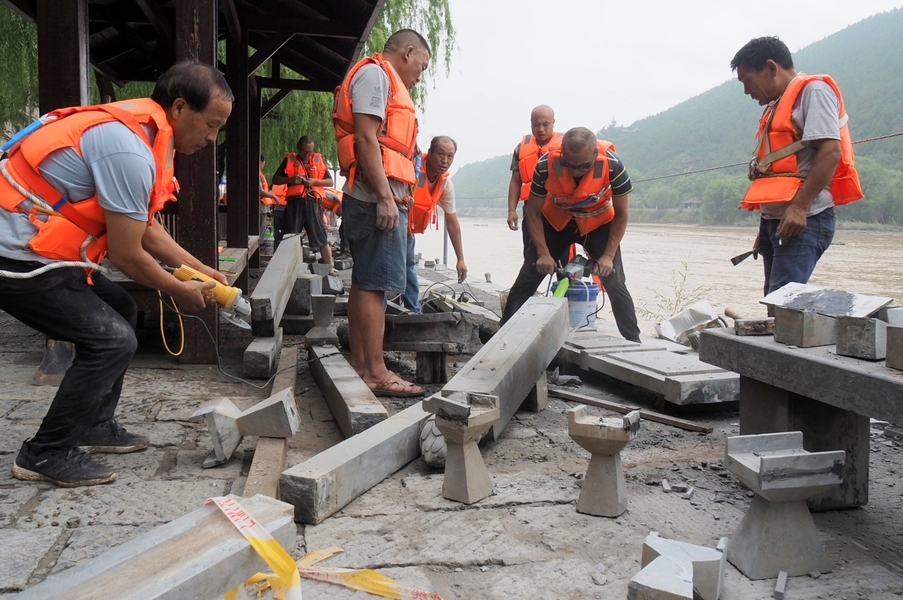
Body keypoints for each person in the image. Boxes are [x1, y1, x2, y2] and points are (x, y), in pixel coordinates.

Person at [0, 61, 233, 487]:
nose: (212, 138)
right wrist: (177, 289)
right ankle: (45, 452)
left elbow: (146, 228)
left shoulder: (145, 136)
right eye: (212, 125)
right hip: (15, 257)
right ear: (180, 107)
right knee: (111, 340)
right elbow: (127, 255)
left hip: (46, 254)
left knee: (121, 308)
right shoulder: (128, 150)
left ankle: (94, 424)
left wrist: (201, 269)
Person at [333, 29, 431, 397]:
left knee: (365, 282)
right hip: (374, 199)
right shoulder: (376, 75)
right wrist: (386, 197)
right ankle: (376, 372)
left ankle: (362, 366)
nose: (419, 75)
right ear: (408, 52)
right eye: (422, 66)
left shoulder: (378, 77)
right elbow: (365, 138)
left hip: (372, 197)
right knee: (375, 286)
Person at [731, 36, 862, 295]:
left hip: (805, 218)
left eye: (747, 80)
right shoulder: (778, 104)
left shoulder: (814, 92)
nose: (746, 90)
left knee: (782, 302)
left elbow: (830, 152)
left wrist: (799, 208)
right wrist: (766, 226)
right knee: (773, 299)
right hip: (778, 221)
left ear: (771, 68)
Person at [500, 127, 641, 343]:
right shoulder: (545, 164)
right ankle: (503, 335)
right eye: (569, 165)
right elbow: (533, 213)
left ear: (594, 154)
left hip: (596, 223)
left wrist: (608, 256)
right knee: (528, 276)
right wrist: (543, 253)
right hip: (557, 221)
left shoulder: (613, 165)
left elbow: (622, 215)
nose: (575, 171)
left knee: (614, 281)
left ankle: (633, 341)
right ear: (562, 155)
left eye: (583, 166)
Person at [403, 136, 467, 311]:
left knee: (409, 266)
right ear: (430, 153)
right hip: (391, 222)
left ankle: (413, 310)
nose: (445, 160)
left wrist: (460, 259)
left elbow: (452, 223)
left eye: (450, 156)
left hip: (408, 231)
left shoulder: (445, 184)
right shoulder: (411, 170)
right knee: (391, 269)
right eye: (440, 154)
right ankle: (382, 313)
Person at [271, 136, 335, 270]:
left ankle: (330, 269)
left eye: (310, 151)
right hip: (294, 204)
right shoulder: (289, 160)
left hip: (314, 204)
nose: (307, 154)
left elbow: (330, 182)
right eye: (304, 151)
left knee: (321, 237)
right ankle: (287, 269)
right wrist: (290, 180)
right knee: (290, 237)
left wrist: (314, 182)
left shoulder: (319, 160)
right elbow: (275, 179)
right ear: (298, 148)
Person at [506, 105, 562, 250]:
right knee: (532, 256)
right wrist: (512, 211)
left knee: (562, 258)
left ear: (553, 122)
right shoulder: (521, 148)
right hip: (532, 213)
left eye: (545, 124)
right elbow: (516, 181)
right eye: (536, 124)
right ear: (531, 124)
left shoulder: (565, 145)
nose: (540, 129)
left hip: (561, 212)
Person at [258, 154, 279, 246]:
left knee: (261, 230)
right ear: (260, 163)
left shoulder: (260, 175)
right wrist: (274, 196)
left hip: (263, 207)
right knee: (260, 231)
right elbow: (260, 191)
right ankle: (258, 248)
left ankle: (259, 246)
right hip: (260, 207)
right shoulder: (258, 174)